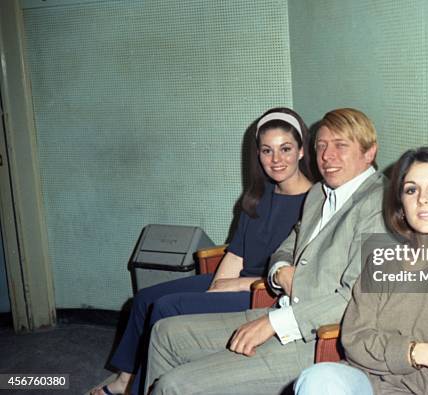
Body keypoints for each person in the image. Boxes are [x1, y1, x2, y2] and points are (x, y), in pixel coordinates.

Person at [143, 108, 388, 394]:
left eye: (340, 146)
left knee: (175, 386)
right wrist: (279, 271)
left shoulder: (382, 207)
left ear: (369, 152)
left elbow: (356, 301)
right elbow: (285, 248)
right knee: (164, 334)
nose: (327, 156)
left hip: (319, 340)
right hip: (281, 310)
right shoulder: (319, 193)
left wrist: (273, 322)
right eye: (321, 146)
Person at [91, 107, 313, 395]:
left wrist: (233, 286)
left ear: (301, 151)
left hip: (264, 292)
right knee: (145, 299)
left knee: (166, 307)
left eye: (285, 149)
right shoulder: (259, 196)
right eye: (267, 151)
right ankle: (125, 380)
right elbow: (236, 253)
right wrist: (217, 288)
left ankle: (140, 390)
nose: (276, 160)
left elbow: (299, 275)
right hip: (236, 282)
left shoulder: (315, 203)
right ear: (257, 155)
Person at [294, 147, 428, 395]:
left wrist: (385, 365)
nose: (422, 199)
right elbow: (355, 340)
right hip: (365, 382)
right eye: (411, 190)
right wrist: (416, 352)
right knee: (318, 377)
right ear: (401, 203)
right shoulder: (380, 264)